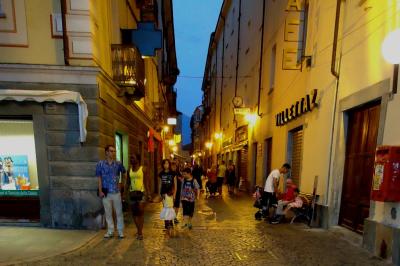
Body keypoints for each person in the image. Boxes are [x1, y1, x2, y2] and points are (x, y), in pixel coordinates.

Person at [96, 145, 126, 239]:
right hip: (105, 192)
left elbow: (124, 173)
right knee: (108, 213)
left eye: (114, 151)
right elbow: (99, 178)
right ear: (106, 152)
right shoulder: (100, 164)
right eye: (111, 151)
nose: (113, 153)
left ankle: (120, 231)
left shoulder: (118, 163)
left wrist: (121, 185)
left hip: (116, 191)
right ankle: (110, 231)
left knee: (119, 212)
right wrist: (100, 191)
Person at [126, 153, 147, 240]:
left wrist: (148, 193)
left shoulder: (143, 169)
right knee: (134, 213)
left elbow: (146, 181)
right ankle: (139, 231)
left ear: (138, 159)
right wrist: (124, 193)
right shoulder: (129, 170)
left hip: (141, 193)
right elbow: (128, 182)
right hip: (132, 193)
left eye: (133, 158)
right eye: (131, 158)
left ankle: (140, 232)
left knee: (141, 212)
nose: (131, 160)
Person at [159, 159, 175, 229]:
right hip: (163, 193)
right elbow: (160, 183)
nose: (166, 165)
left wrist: (174, 193)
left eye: (167, 164)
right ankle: (166, 222)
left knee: (170, 207)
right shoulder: (161, 173)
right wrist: (160, 193)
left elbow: (175, 184)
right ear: (163, 165)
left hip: (170, 192)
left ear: (169, 165)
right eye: (165, 164)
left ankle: (170, 221)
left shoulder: (172, 173)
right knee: (165, 207)